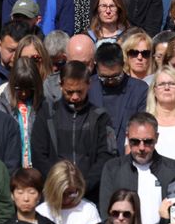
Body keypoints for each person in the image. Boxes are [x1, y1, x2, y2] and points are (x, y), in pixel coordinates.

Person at [30, 61, 118, 202]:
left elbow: (106, 157)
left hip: (90, 196)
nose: (75, 97)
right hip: (54, 194)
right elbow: (39, 155)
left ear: (89, 85)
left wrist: (84, 186)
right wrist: (59, 184)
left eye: (80, 91)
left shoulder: (100, 117)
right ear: (61, 86)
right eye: (69, 92)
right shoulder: (47, 115)